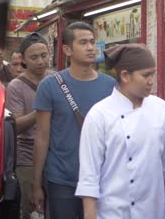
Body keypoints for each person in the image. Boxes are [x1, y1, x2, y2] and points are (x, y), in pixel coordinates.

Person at [75, 43, 165, 219]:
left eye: (153, 74)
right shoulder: (99, 115)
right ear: (125, 76)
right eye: (145, 75)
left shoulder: (160, 108)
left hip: (152, 210)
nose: (151, 80)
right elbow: (89, 174)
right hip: (112, 212)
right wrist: (90, 214)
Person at [32, 21, 116, 219]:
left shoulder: (111, 86)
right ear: (67, 50)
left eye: (92, 42)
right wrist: (36, 184)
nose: (90, 47)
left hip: (102, 179)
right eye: (83, 42)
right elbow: (42, 137)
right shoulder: (50, 86)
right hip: (62, 180)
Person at [6, 32, 52, 219]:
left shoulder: (56, 79)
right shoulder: (15, 87)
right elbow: (15, 126)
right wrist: (42, 110)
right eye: (34, 57)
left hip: (55, 156)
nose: (40, 61)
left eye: (44, 55)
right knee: (31, 209)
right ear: (23, 59)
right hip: (27, 158)